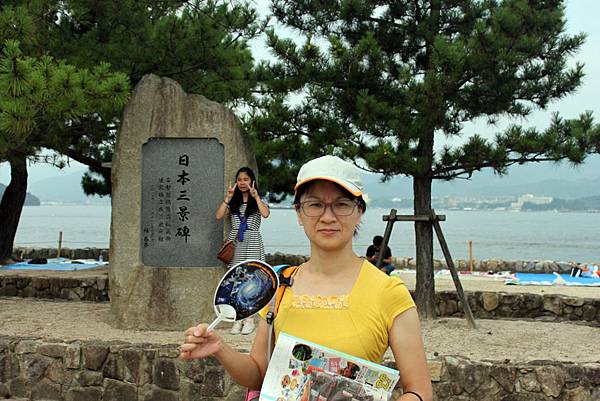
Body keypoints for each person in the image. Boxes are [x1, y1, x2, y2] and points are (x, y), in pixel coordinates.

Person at [183, 155, 432, 401]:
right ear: (299, 213)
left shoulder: (389, 292)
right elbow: (259, 374)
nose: (327, 217)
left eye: (342, 204)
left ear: (359, 212)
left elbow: (419, 391)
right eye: (314, 205)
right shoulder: (278, 285)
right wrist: (219, 348)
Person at [215, 167, 270, 335]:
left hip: (252, 241)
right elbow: (218, 216)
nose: (242, 182)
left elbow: (266, 214)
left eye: (246, 179)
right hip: (236, 242)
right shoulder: (234, 202)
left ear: (252, 181)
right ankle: (238, 320)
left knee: (251, 282)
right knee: (236, 282)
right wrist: (228, 197)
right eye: (239, 179)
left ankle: (250, 320)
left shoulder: (257, 201)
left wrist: (256, 196)